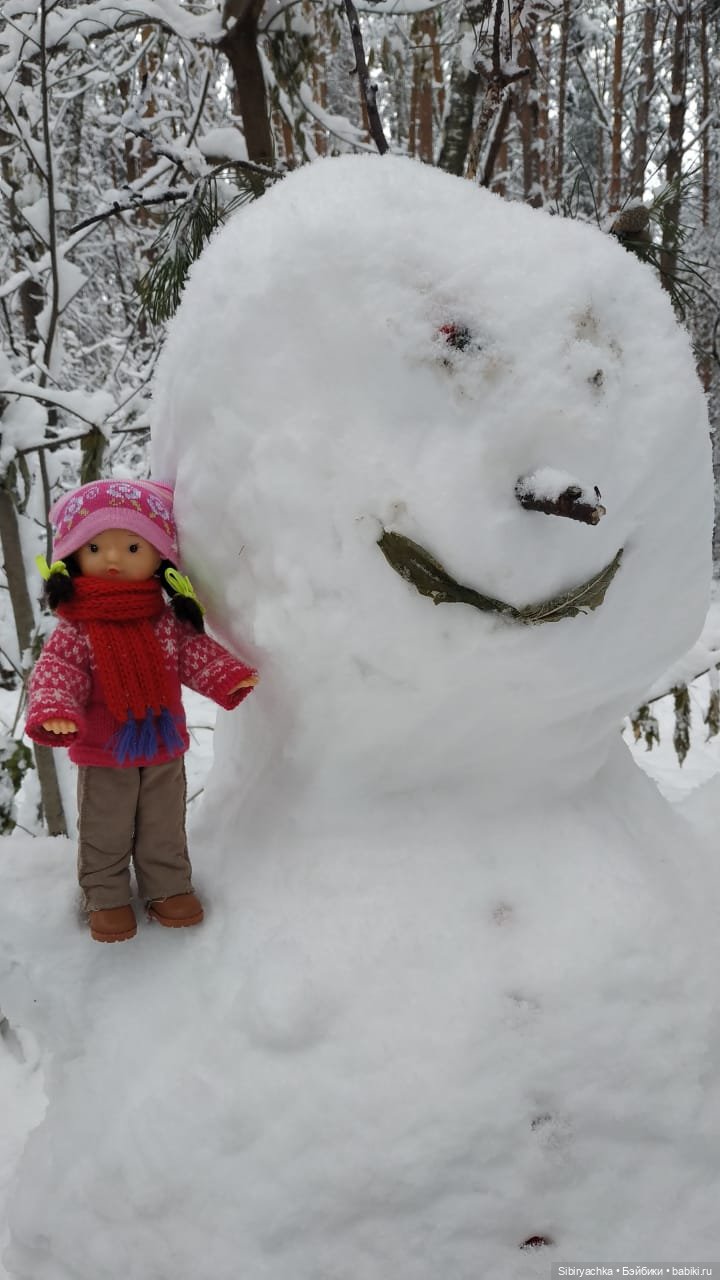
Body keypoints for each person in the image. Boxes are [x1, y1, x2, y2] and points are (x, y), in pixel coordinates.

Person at [25, 479, 258, 944]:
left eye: (133, 547)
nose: (113, 559)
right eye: (95, 547)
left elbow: (193, 653)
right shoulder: (76, 628)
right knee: (105, 827)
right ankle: (106, 895)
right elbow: (58, 671)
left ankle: (167, 886)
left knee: (163, 824)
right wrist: (56, 708)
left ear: (159, 557)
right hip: (104, 751)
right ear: (73, 555)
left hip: (163, 746)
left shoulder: (165, 621)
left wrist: (226, 675)